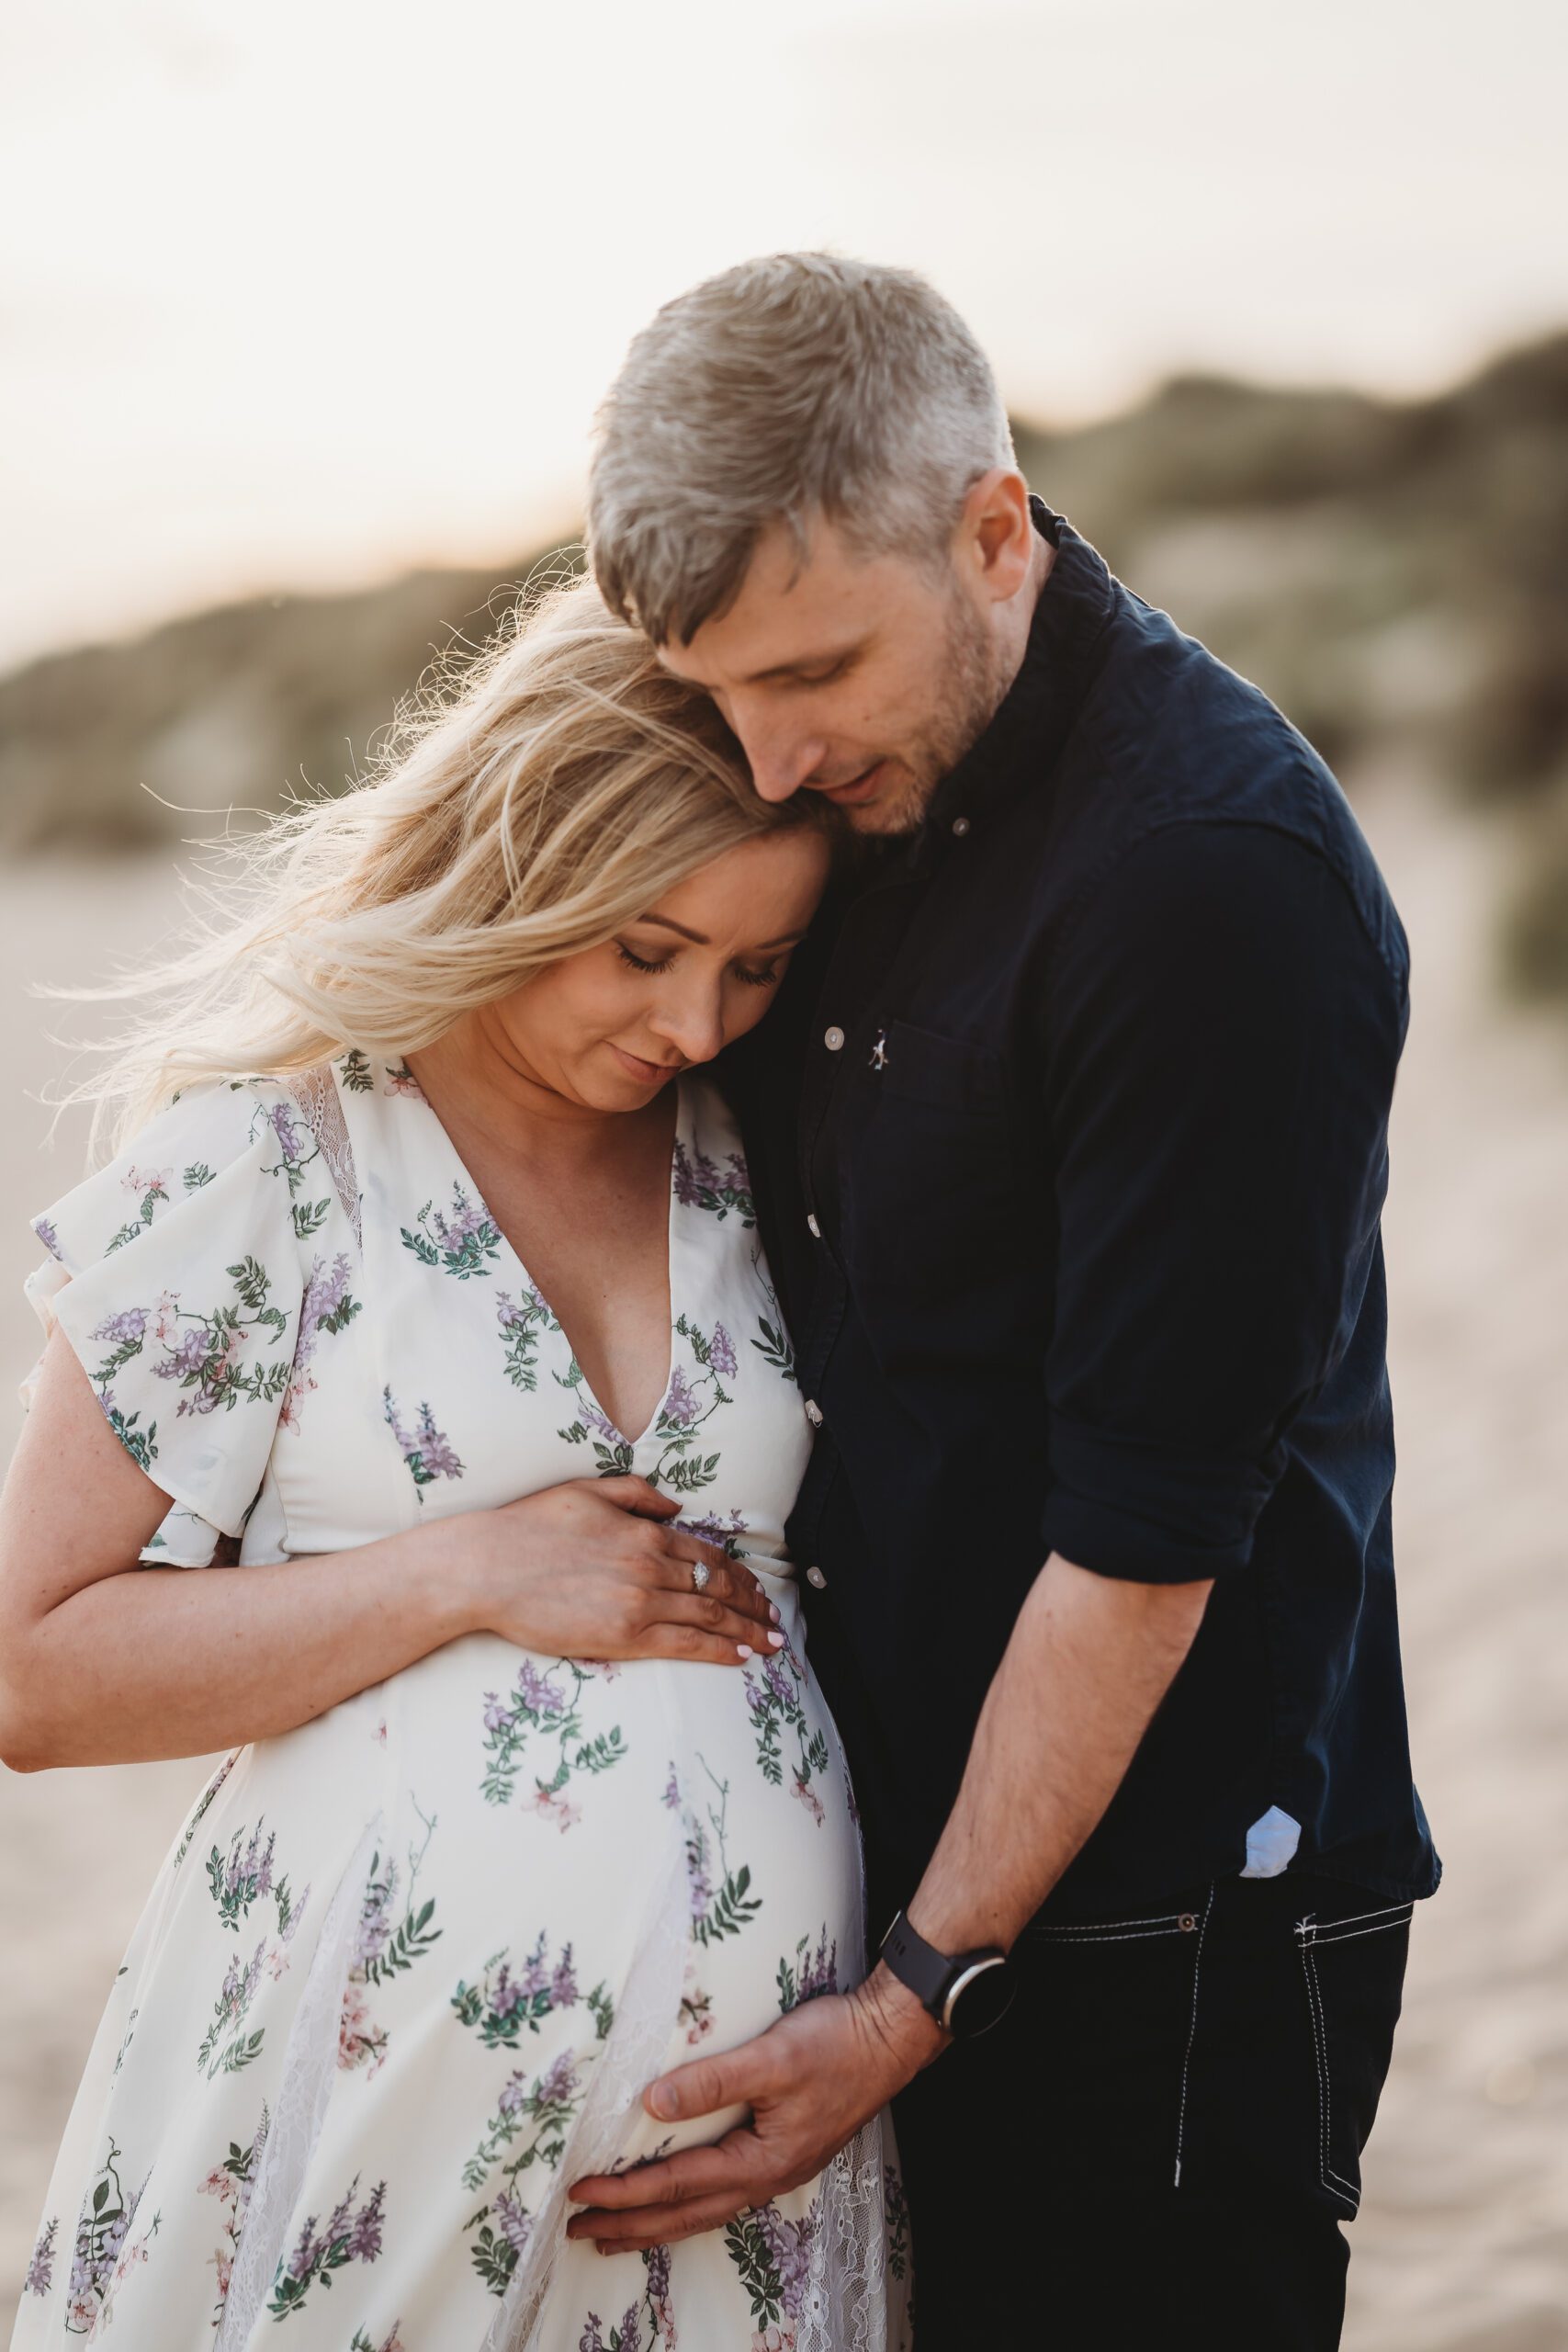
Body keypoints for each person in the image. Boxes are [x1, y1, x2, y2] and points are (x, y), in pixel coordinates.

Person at [565, 254, 1440, 2350]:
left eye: (814, 671)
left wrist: (912, 1995)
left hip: (1160, 1921)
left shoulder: (1206, 879)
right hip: (894, 1869)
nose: (763, 764)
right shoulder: (836, 782)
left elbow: (1141, 1544)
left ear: (993, 527)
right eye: (717, 696)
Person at [0, 579, 912, 2352]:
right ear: (522, 871)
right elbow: (29, 1671)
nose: (699, 1023)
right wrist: (461, 1571)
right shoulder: (272, 1163)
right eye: (644, 949)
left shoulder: (759, 1149)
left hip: (736, 2167)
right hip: (356, 2103)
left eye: (758, 964)